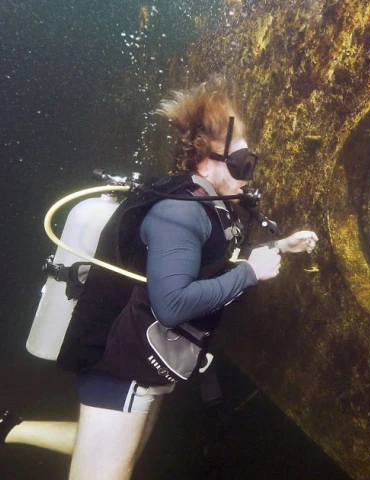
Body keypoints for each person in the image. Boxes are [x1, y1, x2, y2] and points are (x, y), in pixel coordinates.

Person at [1, 77, 318, 479]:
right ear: (208, 159)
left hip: (146, 367)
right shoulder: (181, 211)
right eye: (242, 164)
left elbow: (210, 265)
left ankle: (9, 428)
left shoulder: (207, 206)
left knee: (115, 450)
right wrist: (251, 273)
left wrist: (278, 249)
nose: (248, 176)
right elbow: (172, 305)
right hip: (121, 371)